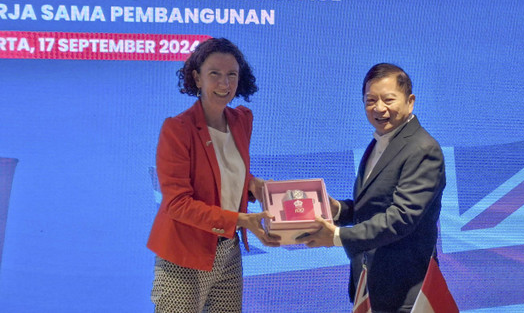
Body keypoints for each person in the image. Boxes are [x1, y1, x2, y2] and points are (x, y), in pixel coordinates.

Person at [147, 38, 280, 313]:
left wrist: (251, 184)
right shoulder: (177, 129)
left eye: (232, 74)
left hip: (228, 251)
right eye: (214, 74)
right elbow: (177, 204)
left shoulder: (241, 120)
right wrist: (242, 219)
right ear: (197, 78)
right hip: (183, 255)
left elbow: (222, 171)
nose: (224, 84)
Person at [301, 63, 446, 312]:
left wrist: (337, 236)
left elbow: (400, 218)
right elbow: (375, 205)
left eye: (388, 99)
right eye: (370, 100)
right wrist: (338, 210)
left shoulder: (423, 149)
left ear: (410, 101)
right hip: (370, 286)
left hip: (405, 293)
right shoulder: (381, 142)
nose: (379, 108)